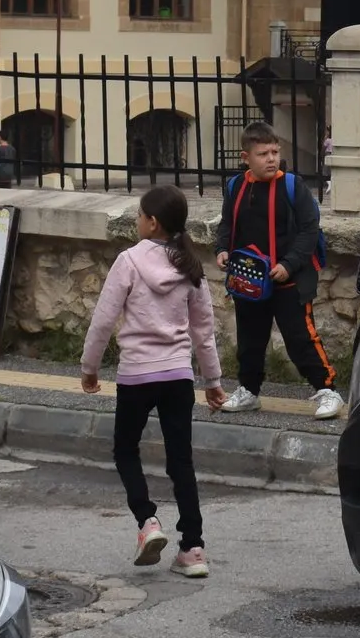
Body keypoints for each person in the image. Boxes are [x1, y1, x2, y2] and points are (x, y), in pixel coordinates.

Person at [80, 185, 225, 578]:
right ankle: (193, 549)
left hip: (137, 376)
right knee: (182, 461)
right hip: (178, 375)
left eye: (141, 214)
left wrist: (89, 367)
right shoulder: (190, 266)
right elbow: (204, 330)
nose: (138, 220)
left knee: (126, 450)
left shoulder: (128, 261)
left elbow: (104, 318)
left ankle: (147, 522)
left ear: (152, 221)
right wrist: (212, 379)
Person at [214, 122, 342, 419]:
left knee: (300, 337)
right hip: (249, 280)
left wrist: (288, 265)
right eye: (263, 153)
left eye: (275, 151)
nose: (271, 158)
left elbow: (310, 231)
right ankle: (248, 391)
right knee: (249, 339)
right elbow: (227, 225)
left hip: (290, 279)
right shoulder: (235, 186)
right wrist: (221, 249)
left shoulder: (292, 186)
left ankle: (328, 390)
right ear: (245, 158)